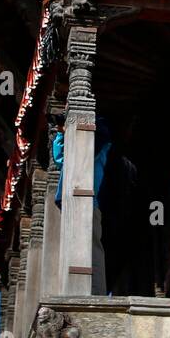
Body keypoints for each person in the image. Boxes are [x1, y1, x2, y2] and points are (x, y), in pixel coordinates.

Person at [51, 116, 114, 296]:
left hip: (87, 201)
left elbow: (84, 153)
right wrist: (61, 136)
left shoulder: (97, 140)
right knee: (73, 250)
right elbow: (60, 160)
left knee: (91, 248)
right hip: (71, 201)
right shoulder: (73, 153)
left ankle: (95, 293)